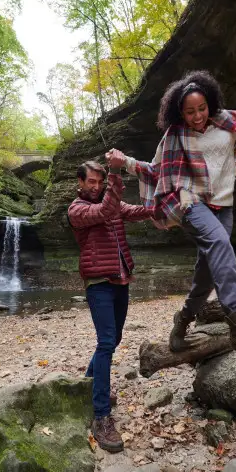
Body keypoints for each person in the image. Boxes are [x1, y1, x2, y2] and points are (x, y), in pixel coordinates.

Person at [107, 50, 236, 361]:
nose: (197, 116)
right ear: (179, 113)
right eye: (190, 112)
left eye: (201, 108)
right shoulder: (175, 136)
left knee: (207, 273)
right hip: (189, 202)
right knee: (219, 243)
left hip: (222, 206)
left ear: (210, 104)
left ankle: (182, 320)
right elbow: (157, 170)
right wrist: (127, 163)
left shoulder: (226, 121)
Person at [68, 155, 152, 453]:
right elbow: (105, 210)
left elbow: (135, 210)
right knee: (105, 342)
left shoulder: (111, 203)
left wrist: (166, 208)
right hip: (98, 283)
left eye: (100, 181)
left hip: (121, 279)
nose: (96, 186)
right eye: (91, 181)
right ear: (80, 182)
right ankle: (101, 415)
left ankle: (89, 385)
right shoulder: (77, 209)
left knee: (114, 338)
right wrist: (116, 170)